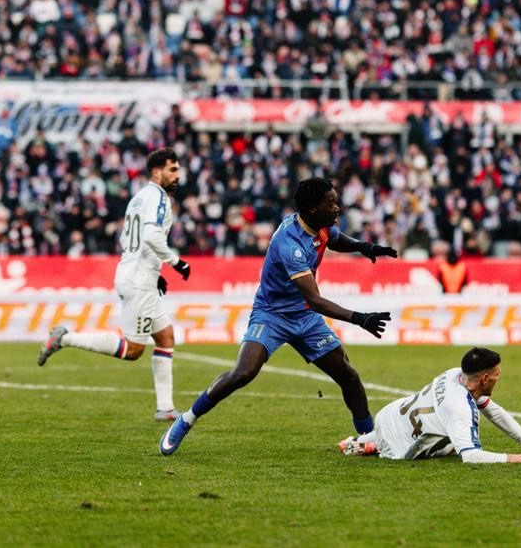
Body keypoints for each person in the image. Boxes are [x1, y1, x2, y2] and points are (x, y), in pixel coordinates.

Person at [159, 177, 398, 456]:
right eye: (331, 203)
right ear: (312, 208)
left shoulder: (318, 225)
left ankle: (367, 438)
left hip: (304, 316)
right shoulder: (290, 244)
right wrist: (360, 318)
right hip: (272, 315)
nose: (337, 208)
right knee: (243, 373)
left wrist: (364, 247)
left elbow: (334, 239)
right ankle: (186, 419)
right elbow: (315, 300)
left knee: (349, 376)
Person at [38, 148, 192, 421]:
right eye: (172, 170)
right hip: (139, 281)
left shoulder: (138, 198)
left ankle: (165, 409)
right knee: (133, 350)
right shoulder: (159, 198)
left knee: (165, 337)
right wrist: (176, 262)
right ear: (157, 172)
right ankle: (64, 338)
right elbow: (151, 235)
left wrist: (155, 271)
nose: (177, 175)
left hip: (137, 273)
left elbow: (128, 239)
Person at [338, 347, 521, 464]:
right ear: (485, 378)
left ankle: (359, 442)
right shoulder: (460, 407)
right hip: (398, 447)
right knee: (451, 446)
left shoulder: (456, 374)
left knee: (446, 438)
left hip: (390, 415)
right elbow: (471, 456)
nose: (499, 378)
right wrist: (520, 457)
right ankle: (370, 446)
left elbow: (494, 412)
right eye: (497, 374)